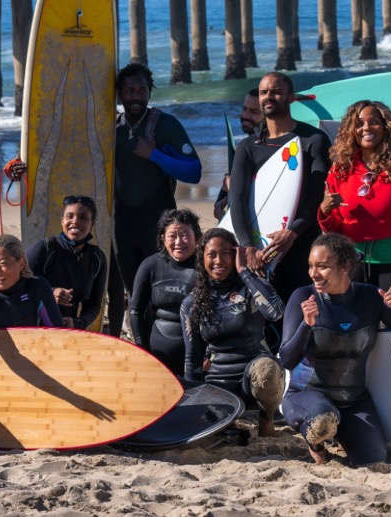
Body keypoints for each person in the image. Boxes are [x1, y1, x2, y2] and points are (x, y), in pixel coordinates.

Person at [279, 233, 391, 465]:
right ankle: (316, 445)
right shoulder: (303, 297)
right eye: (311, 266)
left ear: (345, 267)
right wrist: (306, 325)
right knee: (322, 420)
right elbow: (286, 359)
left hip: (354, 401)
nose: (313, 274)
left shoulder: (370, 298)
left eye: (323, 267)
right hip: (307, 394)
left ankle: (341, 434)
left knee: (375, 459)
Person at [228, 71, 332, 336]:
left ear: (290, 97)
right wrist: (248, 246)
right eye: (264, 92)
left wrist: (293, 232)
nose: (268, 97)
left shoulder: (313, 140)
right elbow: (237, 199)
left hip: (301, 244)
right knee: (263, 321)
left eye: (275, 91)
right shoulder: (248, 147)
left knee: (302, 314)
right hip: (261, 248)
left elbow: (316, 195)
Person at [106, 62, 202, 338]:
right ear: (119, 94)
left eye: (142, 90)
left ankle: (164, 340)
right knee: (130, 291)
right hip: (122, 223)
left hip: (159, 221)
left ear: (150, 92)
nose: (136, 96)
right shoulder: (111, 127)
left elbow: (194, 172)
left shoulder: (165, 125)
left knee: (161, 290)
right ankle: (136, 341)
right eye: (130, 90)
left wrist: (155, 155)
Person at [180, 228, 285, 436]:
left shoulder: (250, 288)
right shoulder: (192, 303)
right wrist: (191, 401)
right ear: (202, 259)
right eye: (212, 254)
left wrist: (244, 271)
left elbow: (276, 312)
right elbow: (193, 357)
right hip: (218, 384)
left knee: (267, 369)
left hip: (255, 379)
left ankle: (266, 420)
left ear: (235, 254)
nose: (218, 260)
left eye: (225, 253)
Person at [318, 100, 391, 305]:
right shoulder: (341, 169)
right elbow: (335, 229)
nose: (366, 128)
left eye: (374, 122)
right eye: (359, 123)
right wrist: (324, 211)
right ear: (352, 130)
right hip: (352, 268)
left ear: (386, 127)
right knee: (359, 332)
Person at [130, 209, 202, 376]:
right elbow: (135, 311)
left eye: (185, 235)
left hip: (196, 355)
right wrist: (142, 349)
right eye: (172, 236)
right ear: (162, 238)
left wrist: (209, 354)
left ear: (197, 237)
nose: (179, 242)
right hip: (157, 353)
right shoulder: (150, 265)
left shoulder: (204, 268)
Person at [26, 195, 107, 330]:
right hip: (34, 327)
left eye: (83, 218)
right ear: (62, 220)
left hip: (68, 330)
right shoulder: (44, 248)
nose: (75, 221)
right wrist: (50, 292)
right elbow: (19, 287)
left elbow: (93, 305)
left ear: (92, 224)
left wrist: (77, 323)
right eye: (70, 216)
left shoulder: (96, 257)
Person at [214, 89, 264, 220]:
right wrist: (220, 202)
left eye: (254, 112)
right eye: (244, 109)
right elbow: (228, 185)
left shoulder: (269, 148)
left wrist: (235, 187)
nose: (245, 115)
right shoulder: (245, 146)